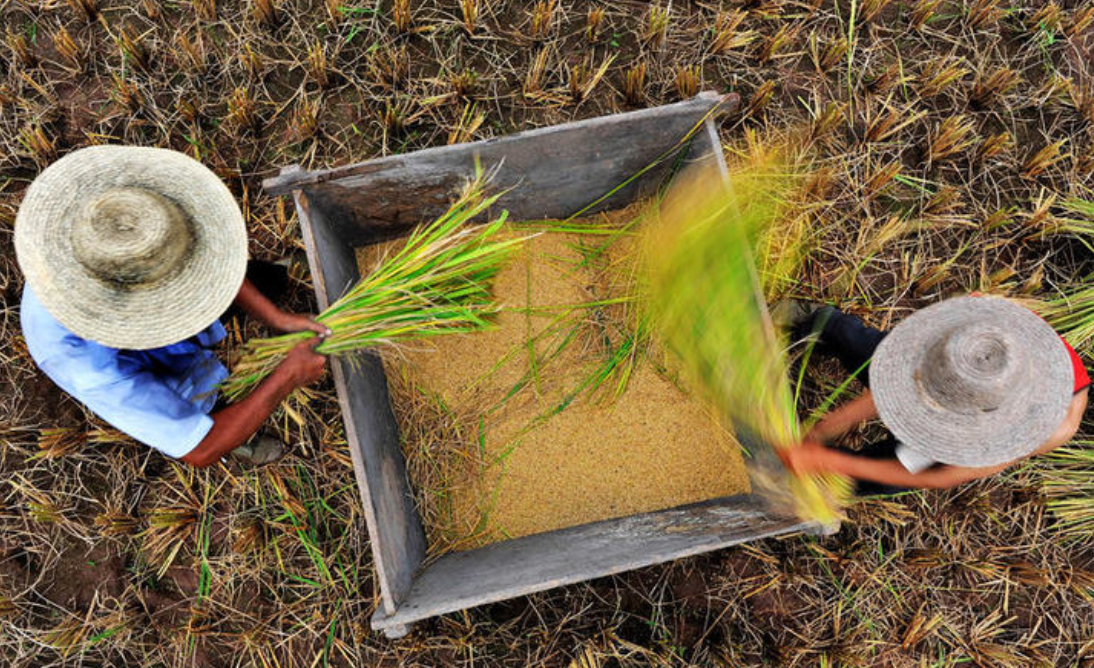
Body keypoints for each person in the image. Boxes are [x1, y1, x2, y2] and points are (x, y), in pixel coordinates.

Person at [14, 145, 330, 468]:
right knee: (195, 408)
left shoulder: (123, 212)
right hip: (118, 357)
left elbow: (209, 262)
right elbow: (199, 452)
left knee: (249, 278)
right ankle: (234, 431)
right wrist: (286, 378)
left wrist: (274, 317)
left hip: (130, 276)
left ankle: (262, 285)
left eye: (180, 279)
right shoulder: (93, 370)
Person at [776, 296, 1089, 494]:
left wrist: (824, 460)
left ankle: (820, 486)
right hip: (975, 344)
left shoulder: (1027, 433)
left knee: (882, 476)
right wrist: (824, 427)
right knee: (874, 356)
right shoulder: (979, 339)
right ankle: (820, 322)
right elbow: (895, 386)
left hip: (997, 409)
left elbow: (939, 477)